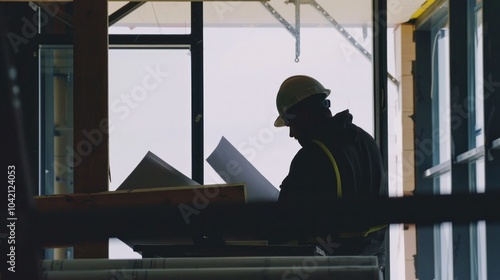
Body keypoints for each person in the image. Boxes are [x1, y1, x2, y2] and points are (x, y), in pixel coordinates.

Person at [273, 75, 388, 269]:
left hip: (331, 266)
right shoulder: (364, 140)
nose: (292, 133)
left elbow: (286, 223)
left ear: (304, 114)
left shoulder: (313, 155)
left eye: (290, 123)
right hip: (370, 265)